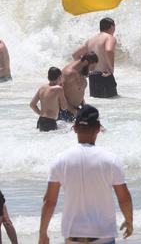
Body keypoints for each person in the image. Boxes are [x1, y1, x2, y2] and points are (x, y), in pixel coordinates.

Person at [38, 104, 133, 244]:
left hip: (73, 237)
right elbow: (124, 198)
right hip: (103, 237)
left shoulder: (60, 160)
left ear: (74, 128)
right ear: (98, 129)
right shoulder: (111, 160)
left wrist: (43, 233)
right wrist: (129, 220)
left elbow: (49, 201)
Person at [73, 17, 118, 98]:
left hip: (92, 77)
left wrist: (84, 69)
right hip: (105, 75)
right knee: (111, 103)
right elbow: (109, 50)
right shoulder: (109, 37)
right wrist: (111, 69)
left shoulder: (91, 40)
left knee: (100, 105)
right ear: (112, 26)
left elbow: (75, 54)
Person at [60, 51, 99, 121]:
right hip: (65, 113)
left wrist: (84, 108)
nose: (93, 69)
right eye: (92, 66)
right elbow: (60, 95)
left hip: (76, 110)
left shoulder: (80, 70)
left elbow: (78, 92)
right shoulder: (69, 73)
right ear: (86, 62)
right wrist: (75, 112)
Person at [30, 67, 68, 132]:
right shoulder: (58, 89)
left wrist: (41, 113)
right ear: (59, 77)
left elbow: (32, 105)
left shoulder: (42, 88)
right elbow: (64, 107)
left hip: (40, 120)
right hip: (50, 122)